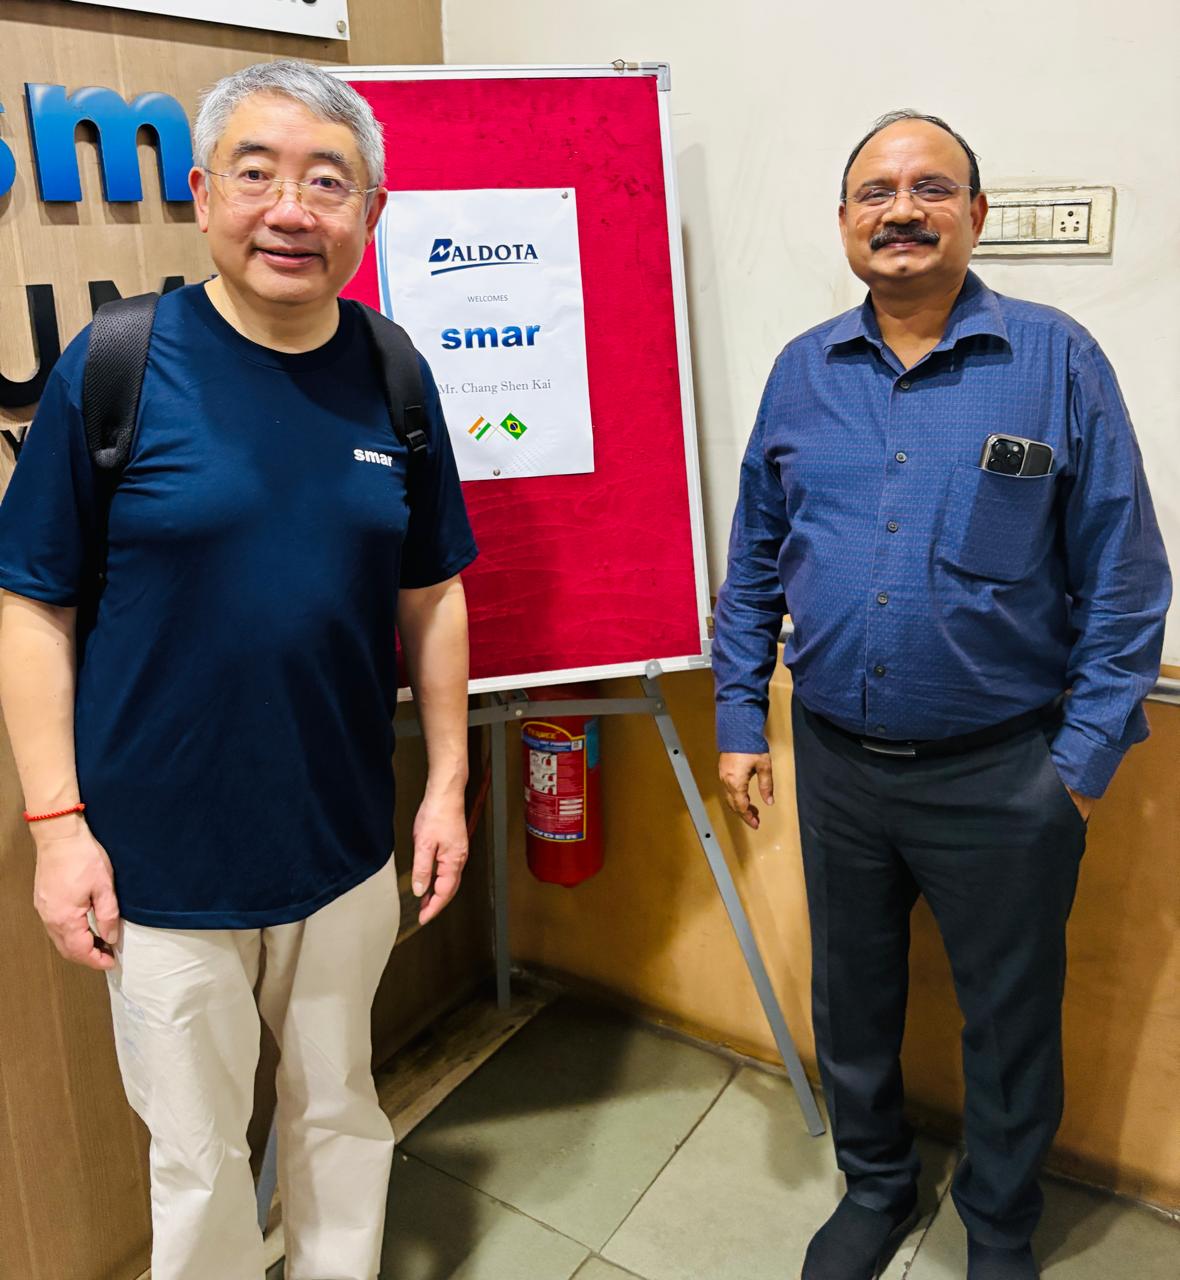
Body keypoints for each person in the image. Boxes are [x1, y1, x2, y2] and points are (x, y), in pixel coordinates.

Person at [0, 60, 477, 1280]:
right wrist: (57, 828)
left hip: (339, 841)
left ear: (370, 210)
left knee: (341, 1113)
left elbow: (432, 591)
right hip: (157, 865)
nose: (291, 211)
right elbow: (33, 605)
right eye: (257, 174)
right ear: (205, 194)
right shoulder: (116, 364)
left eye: (328, 182)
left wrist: (445, 786)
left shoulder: (391, 370)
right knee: (199, 1155)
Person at [712, 109, 1171, 1280]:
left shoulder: (1056, 360)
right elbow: (754, 556)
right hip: (837, 765)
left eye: (929, 188)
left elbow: (1126, 582)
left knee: (1008, 1023)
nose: (901, 211)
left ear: (974, 214)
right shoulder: (801, 371)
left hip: (1004, 776)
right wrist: (737, 716)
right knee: (852, 998)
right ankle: (876, 1186)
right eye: (875, 191)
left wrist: (1074, 769)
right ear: (843, 220)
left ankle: (1000, 1225)